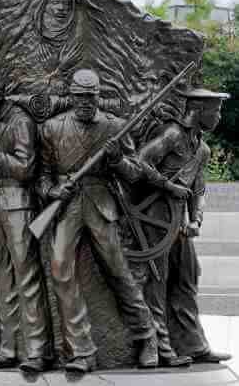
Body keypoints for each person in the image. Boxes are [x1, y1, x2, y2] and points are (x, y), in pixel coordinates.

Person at [37, 68, 190, 373]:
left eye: (90, 97)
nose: (84, 103)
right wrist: (53, 189)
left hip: (100, 202)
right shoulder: (52, 128)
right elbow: (41, 176)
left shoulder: (115, 127)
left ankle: (147, 338)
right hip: (67, 205)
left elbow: (135, 173)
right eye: (79, 97)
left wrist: (118, 159)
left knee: (118, 271)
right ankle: (82, 350)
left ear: (98, 97)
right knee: (60, 270)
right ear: (71, 96)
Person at [139, 87, 232, 364]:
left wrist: (196, 220)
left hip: (180, 223)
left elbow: (199, 190)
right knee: (157, 282)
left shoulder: (201, 149)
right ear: (197, 110)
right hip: (155, 219)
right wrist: (167, 185)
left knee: (187, 280)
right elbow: (141, 162)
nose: (218, 117)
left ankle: (193, 344)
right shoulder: (172, 135)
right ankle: (163, 350)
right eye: (215, 111)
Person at [0, 71, 53, 372]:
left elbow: (24, 169)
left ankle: (37, 351)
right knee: (3, 279)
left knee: (26, 278)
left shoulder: (21, 121)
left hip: (19, 204)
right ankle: (10, 347)